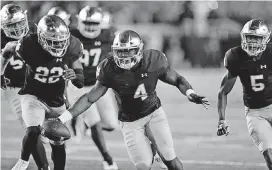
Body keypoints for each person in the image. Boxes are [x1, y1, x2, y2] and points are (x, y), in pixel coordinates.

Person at [55, 30, 210, 170]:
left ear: (139, 50)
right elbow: (89, 98)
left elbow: (177, 79)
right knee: (143, 166)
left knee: (170, 160)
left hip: (154, 113)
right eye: (121, 52)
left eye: (129, 51)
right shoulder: (109, 68)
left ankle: (157, 149)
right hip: (130, 122)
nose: (125, 56)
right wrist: (63, 118)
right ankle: (152, 148)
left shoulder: (153, 60)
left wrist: (190, 93)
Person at [1, 14, 84, 170]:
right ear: (41, 38)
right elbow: (7, 50)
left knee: (58, 140)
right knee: (33, 130)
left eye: (60, 42)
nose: (57, 46)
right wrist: (1, 72)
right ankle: (23, 161)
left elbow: (79, 75)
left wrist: (77, 76)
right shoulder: (28, 44)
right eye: (52, 42)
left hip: (57, 99)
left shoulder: (72, 45)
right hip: (33, 95)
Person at [67, 6, 119, 170]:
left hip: (98, 84)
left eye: (93, 23)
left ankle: (82, 121)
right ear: (79, 21)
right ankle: (108, 159)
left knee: (111, 124)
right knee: (95, 121)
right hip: (77, 85)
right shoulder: (70, 34)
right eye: (86, 23)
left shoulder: (108, 35)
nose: (90, 27)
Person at [217, 19, 272, 170]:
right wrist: (222, 120)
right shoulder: (235, 57)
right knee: (269, 154)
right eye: (250, 37)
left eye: (257, 38)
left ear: (266, 39)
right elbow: (223, 92)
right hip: (255, 113)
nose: (253, 42)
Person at [0, 4, 50, 170]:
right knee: (31, 127)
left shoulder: (37, 33)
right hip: (15, 88)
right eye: (11, 25)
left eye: (18, 23)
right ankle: (44, 167)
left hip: (39, 84)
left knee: (47, 133)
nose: (16, 28)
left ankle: (24, 159)